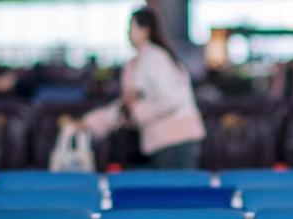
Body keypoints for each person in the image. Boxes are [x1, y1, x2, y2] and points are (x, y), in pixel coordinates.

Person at [82, 7, 205, 169]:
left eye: (131, 27)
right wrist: (91, 122)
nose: (127, 33)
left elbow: (170, 99)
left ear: (145, 30)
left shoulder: (154, 59)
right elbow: (127, 105)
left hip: (175, 143)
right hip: (167, 142)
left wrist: (138, 113)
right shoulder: (141, 61)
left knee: (175, 192)